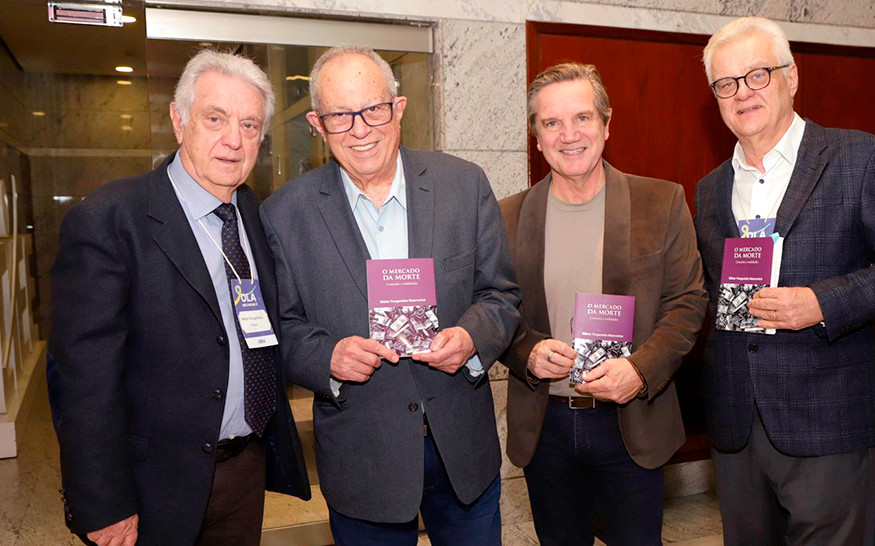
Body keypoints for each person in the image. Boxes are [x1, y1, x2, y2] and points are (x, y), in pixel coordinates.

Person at [47, 50, 310, 546]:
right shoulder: (110, 219)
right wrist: (102, 502)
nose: (234, 140)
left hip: (243, 472)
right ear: (178, 119)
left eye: (250, 125)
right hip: (151, 487)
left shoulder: (254, 214)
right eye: (216, 118)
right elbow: (83, 380)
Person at [259, 46, 520, 545]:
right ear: (317, 123)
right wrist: (327, 356)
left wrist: (469, 337)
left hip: (461, 448)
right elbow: (280, 327)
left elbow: (500, 294)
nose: (360, 129)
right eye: (340, 115)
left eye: (373, 109)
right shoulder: (285, 215)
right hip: (363, 455)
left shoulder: (463, 185)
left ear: (398, 109)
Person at [695, 17, 875, 546]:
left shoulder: (860, 158)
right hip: (737, 422)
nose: (742, 94)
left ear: (792, 77)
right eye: (725, 84)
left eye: (757, 76)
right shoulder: (710, 189)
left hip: (827, 416)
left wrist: (821, 302)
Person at [499, 62, 707, 546]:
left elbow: (688, 301)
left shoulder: (662, 201)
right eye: (551, 122)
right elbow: (495, 310)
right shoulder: (507, 216)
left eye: (583, 118)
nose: (568, 134)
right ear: (536, 135)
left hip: (630, 420)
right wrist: (525, 350)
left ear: (607, 124)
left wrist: (639, 369)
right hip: (545, 425)